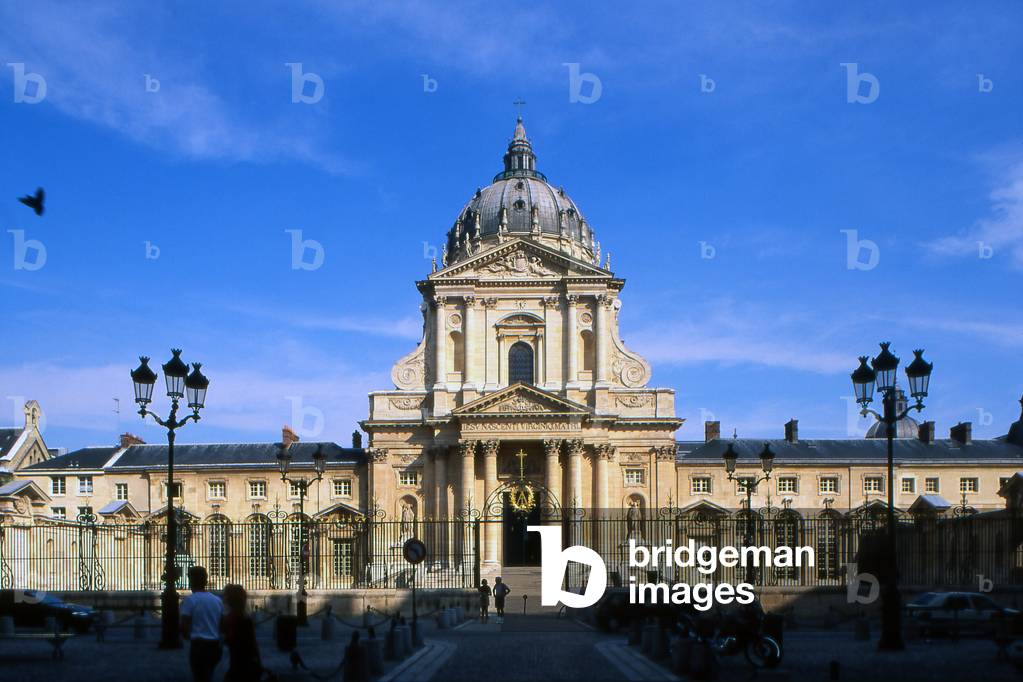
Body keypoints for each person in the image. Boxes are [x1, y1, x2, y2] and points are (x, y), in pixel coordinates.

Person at [180, 566, 224, 682]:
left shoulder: (190, 600)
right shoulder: (217, 600)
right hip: (214, 645)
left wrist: (189, 636)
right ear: (205, 580)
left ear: (191, 581)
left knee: (200, 676)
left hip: (199, 645)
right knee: (209, 675)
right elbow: (222, 625)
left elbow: (184, 626)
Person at [222, 584, 262, 681]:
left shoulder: (229, 619)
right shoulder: (245, 618)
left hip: (238, 664)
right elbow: (253, 644)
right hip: (246, 663)